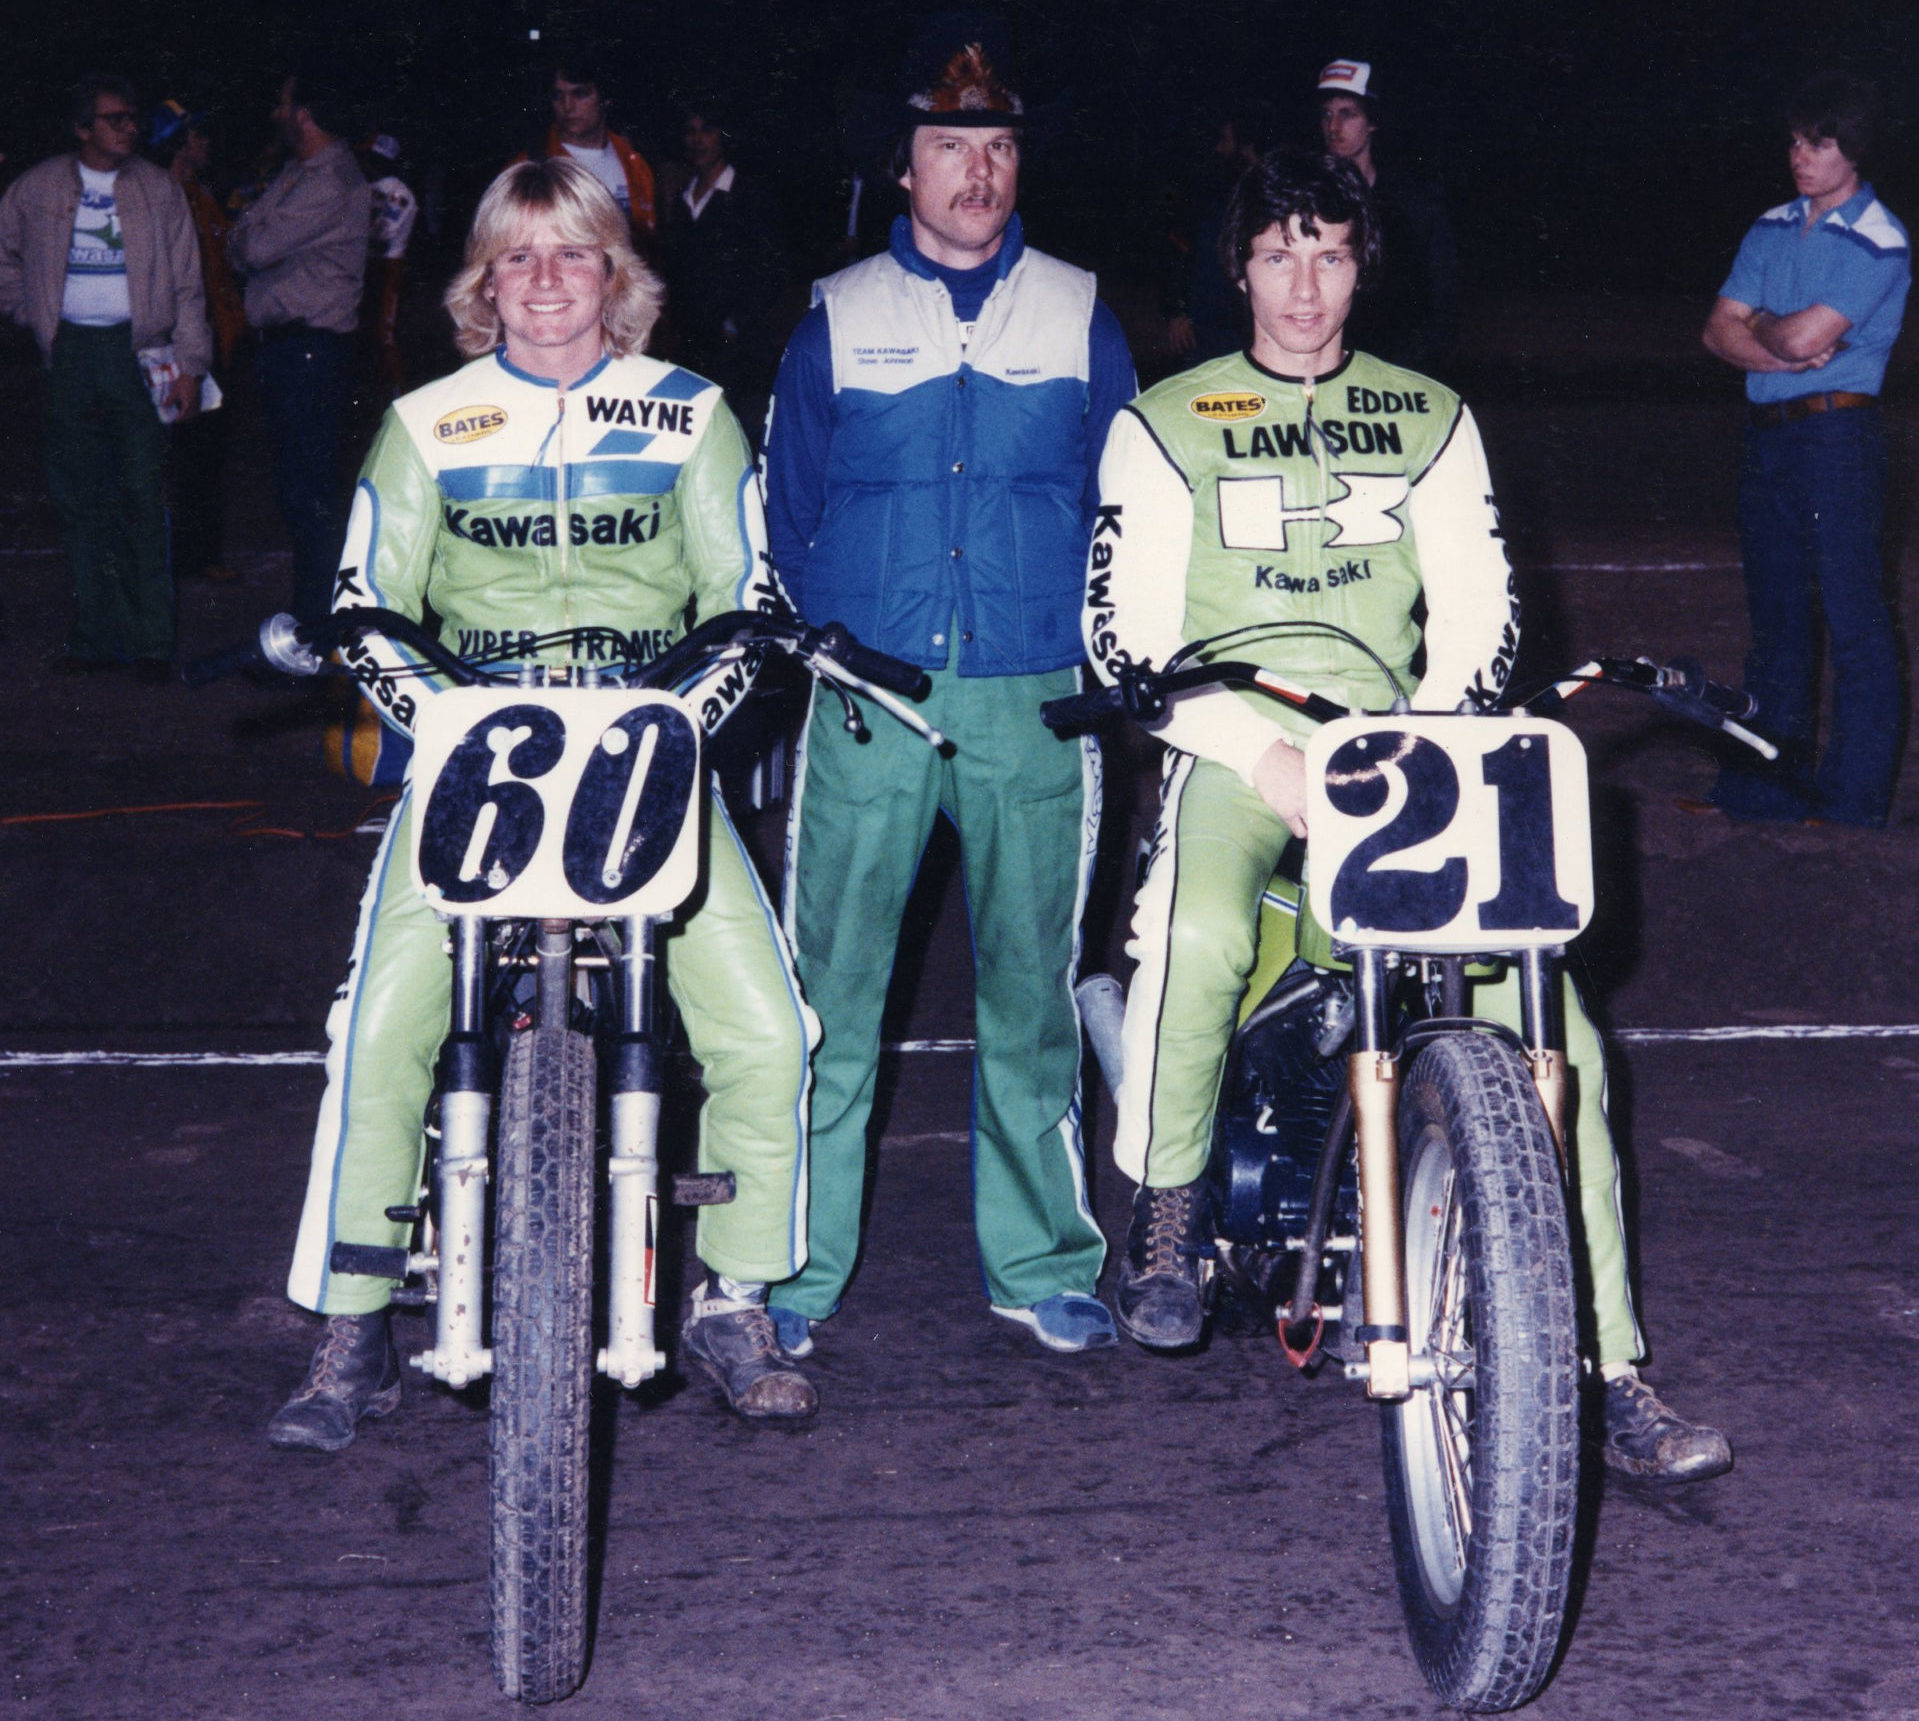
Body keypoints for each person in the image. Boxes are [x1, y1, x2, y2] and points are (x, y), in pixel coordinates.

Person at [1085, 149, 1731, 1481]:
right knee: (1197, 935)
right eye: (1276, 253)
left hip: (1400, 744)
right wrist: (1266, 767)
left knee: (1565, 1043)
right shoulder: (1159, 421)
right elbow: (1127, 650)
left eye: (1327, 251)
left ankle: (1607, 1365)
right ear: (1239, 268)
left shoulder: (1427, 413)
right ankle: (1159, 1211)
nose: (1303, 282)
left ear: (1358, 265)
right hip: (1241, 744)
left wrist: (1421, 739)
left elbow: (1483, 610)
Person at [267, 158, 818, 1451]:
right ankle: (352, 1325)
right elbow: (367, 606)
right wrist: (448, 722)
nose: (546, 281)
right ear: (482, 284)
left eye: (572, 253)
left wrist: (679, 720)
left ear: (615, 276)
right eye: (516, 257)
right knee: (378, 1026)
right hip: (475, 746)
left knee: (765, 1028)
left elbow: (745, 599)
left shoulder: (689, 413)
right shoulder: (426, 425)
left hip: (644, 739)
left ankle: (731, 1294)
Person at [761, 34, 1136, 1358]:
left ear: (1016, 160)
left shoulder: (1081, 310)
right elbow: (784, 512)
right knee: (825, 994)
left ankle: (1037, 1261)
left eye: (993, 147)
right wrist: (824, 651)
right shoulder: (836, 311)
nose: (972, 172)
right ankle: (787, 1270)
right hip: (871, 701)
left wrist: (1102, 659)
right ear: (902, 165)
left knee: (1030, 992)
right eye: (945, 147)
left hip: (1032, 699)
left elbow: (1127, 510)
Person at [1700, 76, 1909, 827]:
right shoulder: (1769, 225)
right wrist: (1776, 337)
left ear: (1852, 152)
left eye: (1817, 143)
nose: (1799, 155)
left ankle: (1850, 802)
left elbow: (1777, 334)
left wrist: (1761, 328)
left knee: (1852, 620)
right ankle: (1762, 791)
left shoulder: (1880, 239)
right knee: (1775, 621)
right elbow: (1715, 332)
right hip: (1768, 439)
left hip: (1836, 440)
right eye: (1793, 140)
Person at [0, 74, 208, 677]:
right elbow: (5, 253)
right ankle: (96, 640)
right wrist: (27, 309)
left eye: (130, 119)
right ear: (82, 129)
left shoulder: (158, 189)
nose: (128, 129)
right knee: (80, 499)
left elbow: (188, 281)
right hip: (70, 355)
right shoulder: (37, 188)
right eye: (114, 119)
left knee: (143, 496)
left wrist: (190, 365)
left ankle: (150, 644)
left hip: (138, 353)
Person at [228, 68, 370, 628]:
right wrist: (244, 237)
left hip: (312, 351)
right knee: (298, 491)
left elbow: (252, 244)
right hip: (288, 350)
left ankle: (318, 629)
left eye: (281, 103)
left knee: (309, 496)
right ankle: (317, 619)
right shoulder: (298, 171)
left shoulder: (329, 178)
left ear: (303, 113)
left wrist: (245, 237)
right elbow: (242, 239)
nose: (274, 114)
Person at [1316, 58, 1460, 376]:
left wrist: (1415, 366)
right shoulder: (1311, 201)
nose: (1333, 127)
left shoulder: (1412, 203)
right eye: (1326, 114)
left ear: (1372, 122)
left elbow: (1443, 295)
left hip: (1399, 370)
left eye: (1347, 114)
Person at [151, 97, 244, 587]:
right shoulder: (158, 196)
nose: (206, 143)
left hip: (212, 345)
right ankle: (169, 558)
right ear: (178, 144)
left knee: (205, 454)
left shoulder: (202, 196)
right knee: (174, 455)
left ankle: (199, 553)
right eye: (198, 136)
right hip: (172, 349)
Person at [660, 101, 785, 437]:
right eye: (691, 131)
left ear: (723, 136)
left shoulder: (748, 196)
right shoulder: (682, 198)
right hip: (691, 346)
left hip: (737, 350)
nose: (698, 140)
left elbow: (767, 272)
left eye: (707, 130)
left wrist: (736, 324)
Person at [524, 50, 657, 244]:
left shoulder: (635, 162)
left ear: (605, 98)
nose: (567, 106)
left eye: (580, 94)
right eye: (558, 95)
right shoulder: (531, 165)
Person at [359, 132, 417, 398]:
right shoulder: (366, 188)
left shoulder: (399, 194)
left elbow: (383, 235)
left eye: (371, 158)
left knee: (385, 332)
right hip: (366, 266)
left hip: (388, 268)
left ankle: (398, 390)